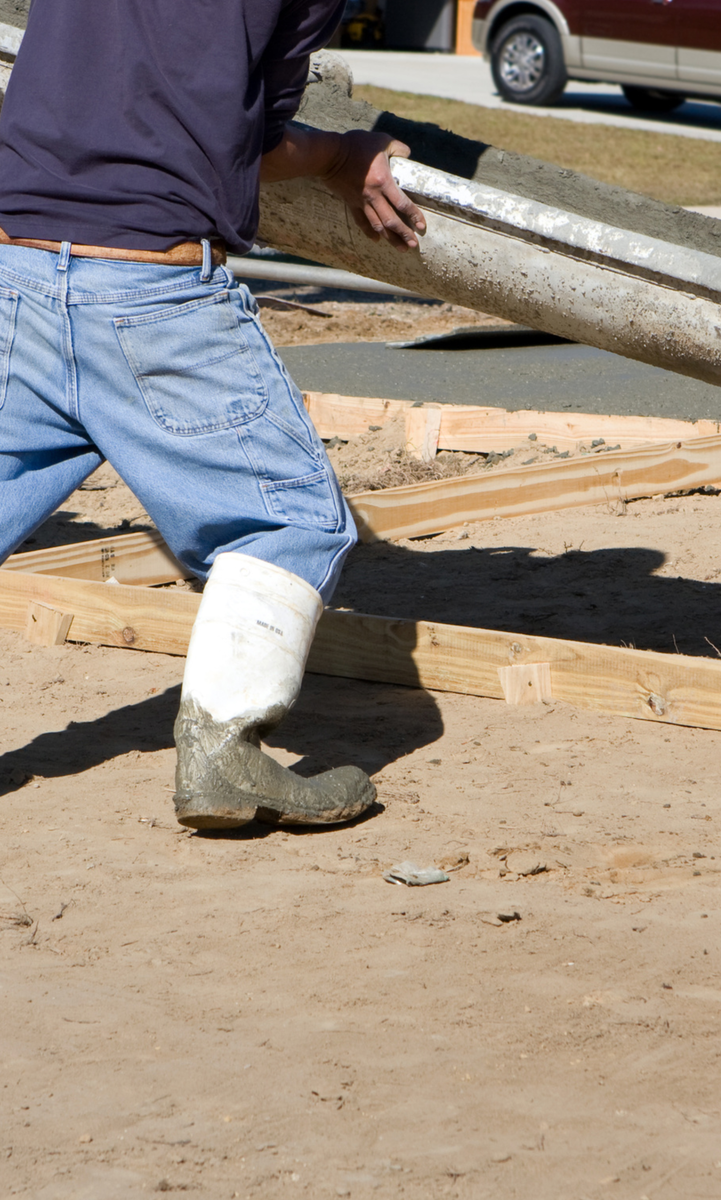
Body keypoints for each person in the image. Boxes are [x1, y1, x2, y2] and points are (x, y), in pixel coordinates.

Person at [0, 0, 425, 829]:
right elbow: (253, 144)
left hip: (14, 266)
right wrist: (346, 154)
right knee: (289, 521)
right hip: (150, 290)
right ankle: (224, 753)